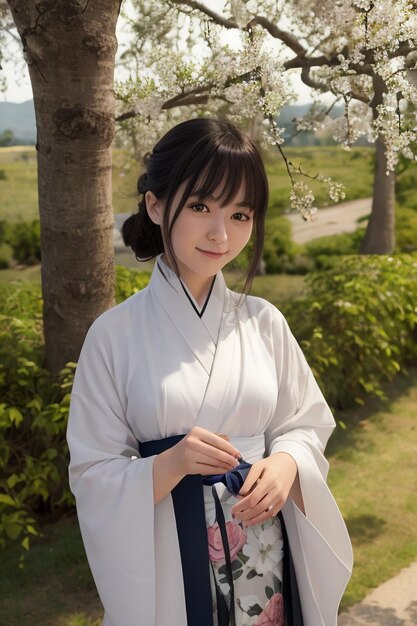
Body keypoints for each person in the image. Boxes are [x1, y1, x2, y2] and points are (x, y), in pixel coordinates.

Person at [66, 118, 353, 626]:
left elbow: (304, 424)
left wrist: (287, 463)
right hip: (170, 564)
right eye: (200, 206)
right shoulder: (112, 336)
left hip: (267, 557)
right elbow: (93, 474)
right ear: (156, 205)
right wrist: (171, 463)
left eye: (240, 214)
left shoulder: (264, 321)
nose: (221, 234)